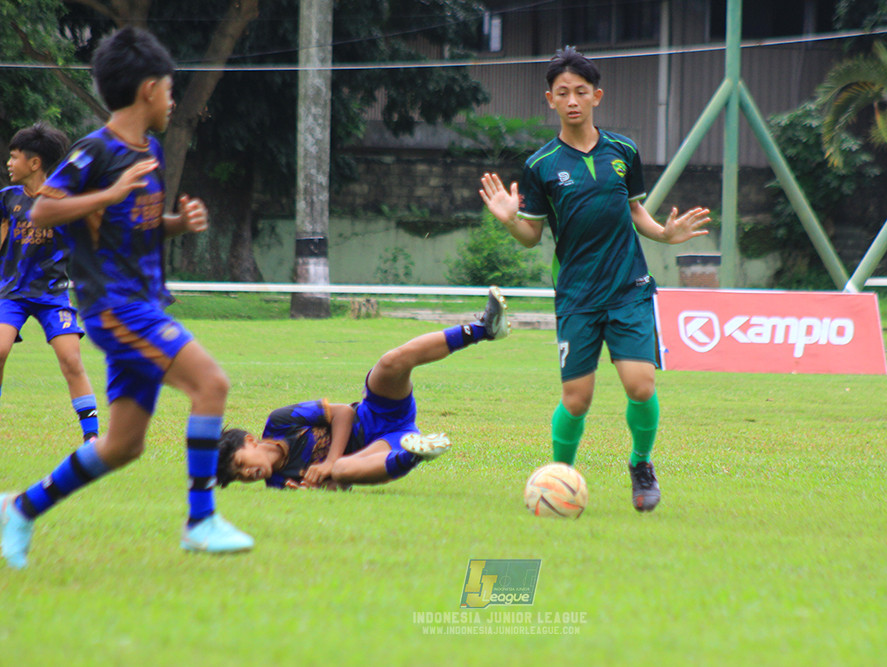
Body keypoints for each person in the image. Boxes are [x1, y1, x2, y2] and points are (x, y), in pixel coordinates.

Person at [1, 27, 253, 570]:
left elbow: (128, 228)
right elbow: (42, 210)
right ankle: (199, 520)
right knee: (211, 384)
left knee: (122, 446)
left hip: (143, 304)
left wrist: (174, 225)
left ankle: (19, 508)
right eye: (168, 89)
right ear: (147, 89)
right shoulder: (97, 151)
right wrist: (112, 191)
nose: (171, 100)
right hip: (115, 308)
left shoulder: (152, 150)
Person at [478, 46, 711, 512]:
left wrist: (665, 233)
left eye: (581, 92)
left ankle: (641, 464)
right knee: (577, 399)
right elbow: (531, 236)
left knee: (640, 384)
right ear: (549, 100)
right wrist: (508, 219)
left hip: (629, 288)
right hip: (578, 295)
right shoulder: (541, 164)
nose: (572, 100)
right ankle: (557, 478)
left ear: (596, 96)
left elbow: (635, 212)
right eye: (562, 93)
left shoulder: (623, 151)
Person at [216, 287, 509, 491]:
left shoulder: (281, 422)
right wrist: (324, 484)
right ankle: (417, 452)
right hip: (382, 447)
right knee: (343, 470)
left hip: (373, 413)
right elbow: (338, 486)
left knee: (389, 363)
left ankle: (483, 329)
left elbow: (342, 413)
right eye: (240, 477)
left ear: (251, 442)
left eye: (241, 464)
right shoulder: (279, 483)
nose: (247, 474)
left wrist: (328, 462)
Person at [0, 123, 100, 443]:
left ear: (34, 163)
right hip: (11, 293)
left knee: (71, 358)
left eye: (14, 157)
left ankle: (92, 437)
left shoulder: (65, 201)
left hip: (52, 293)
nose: (8, 163)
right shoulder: (7, 199)